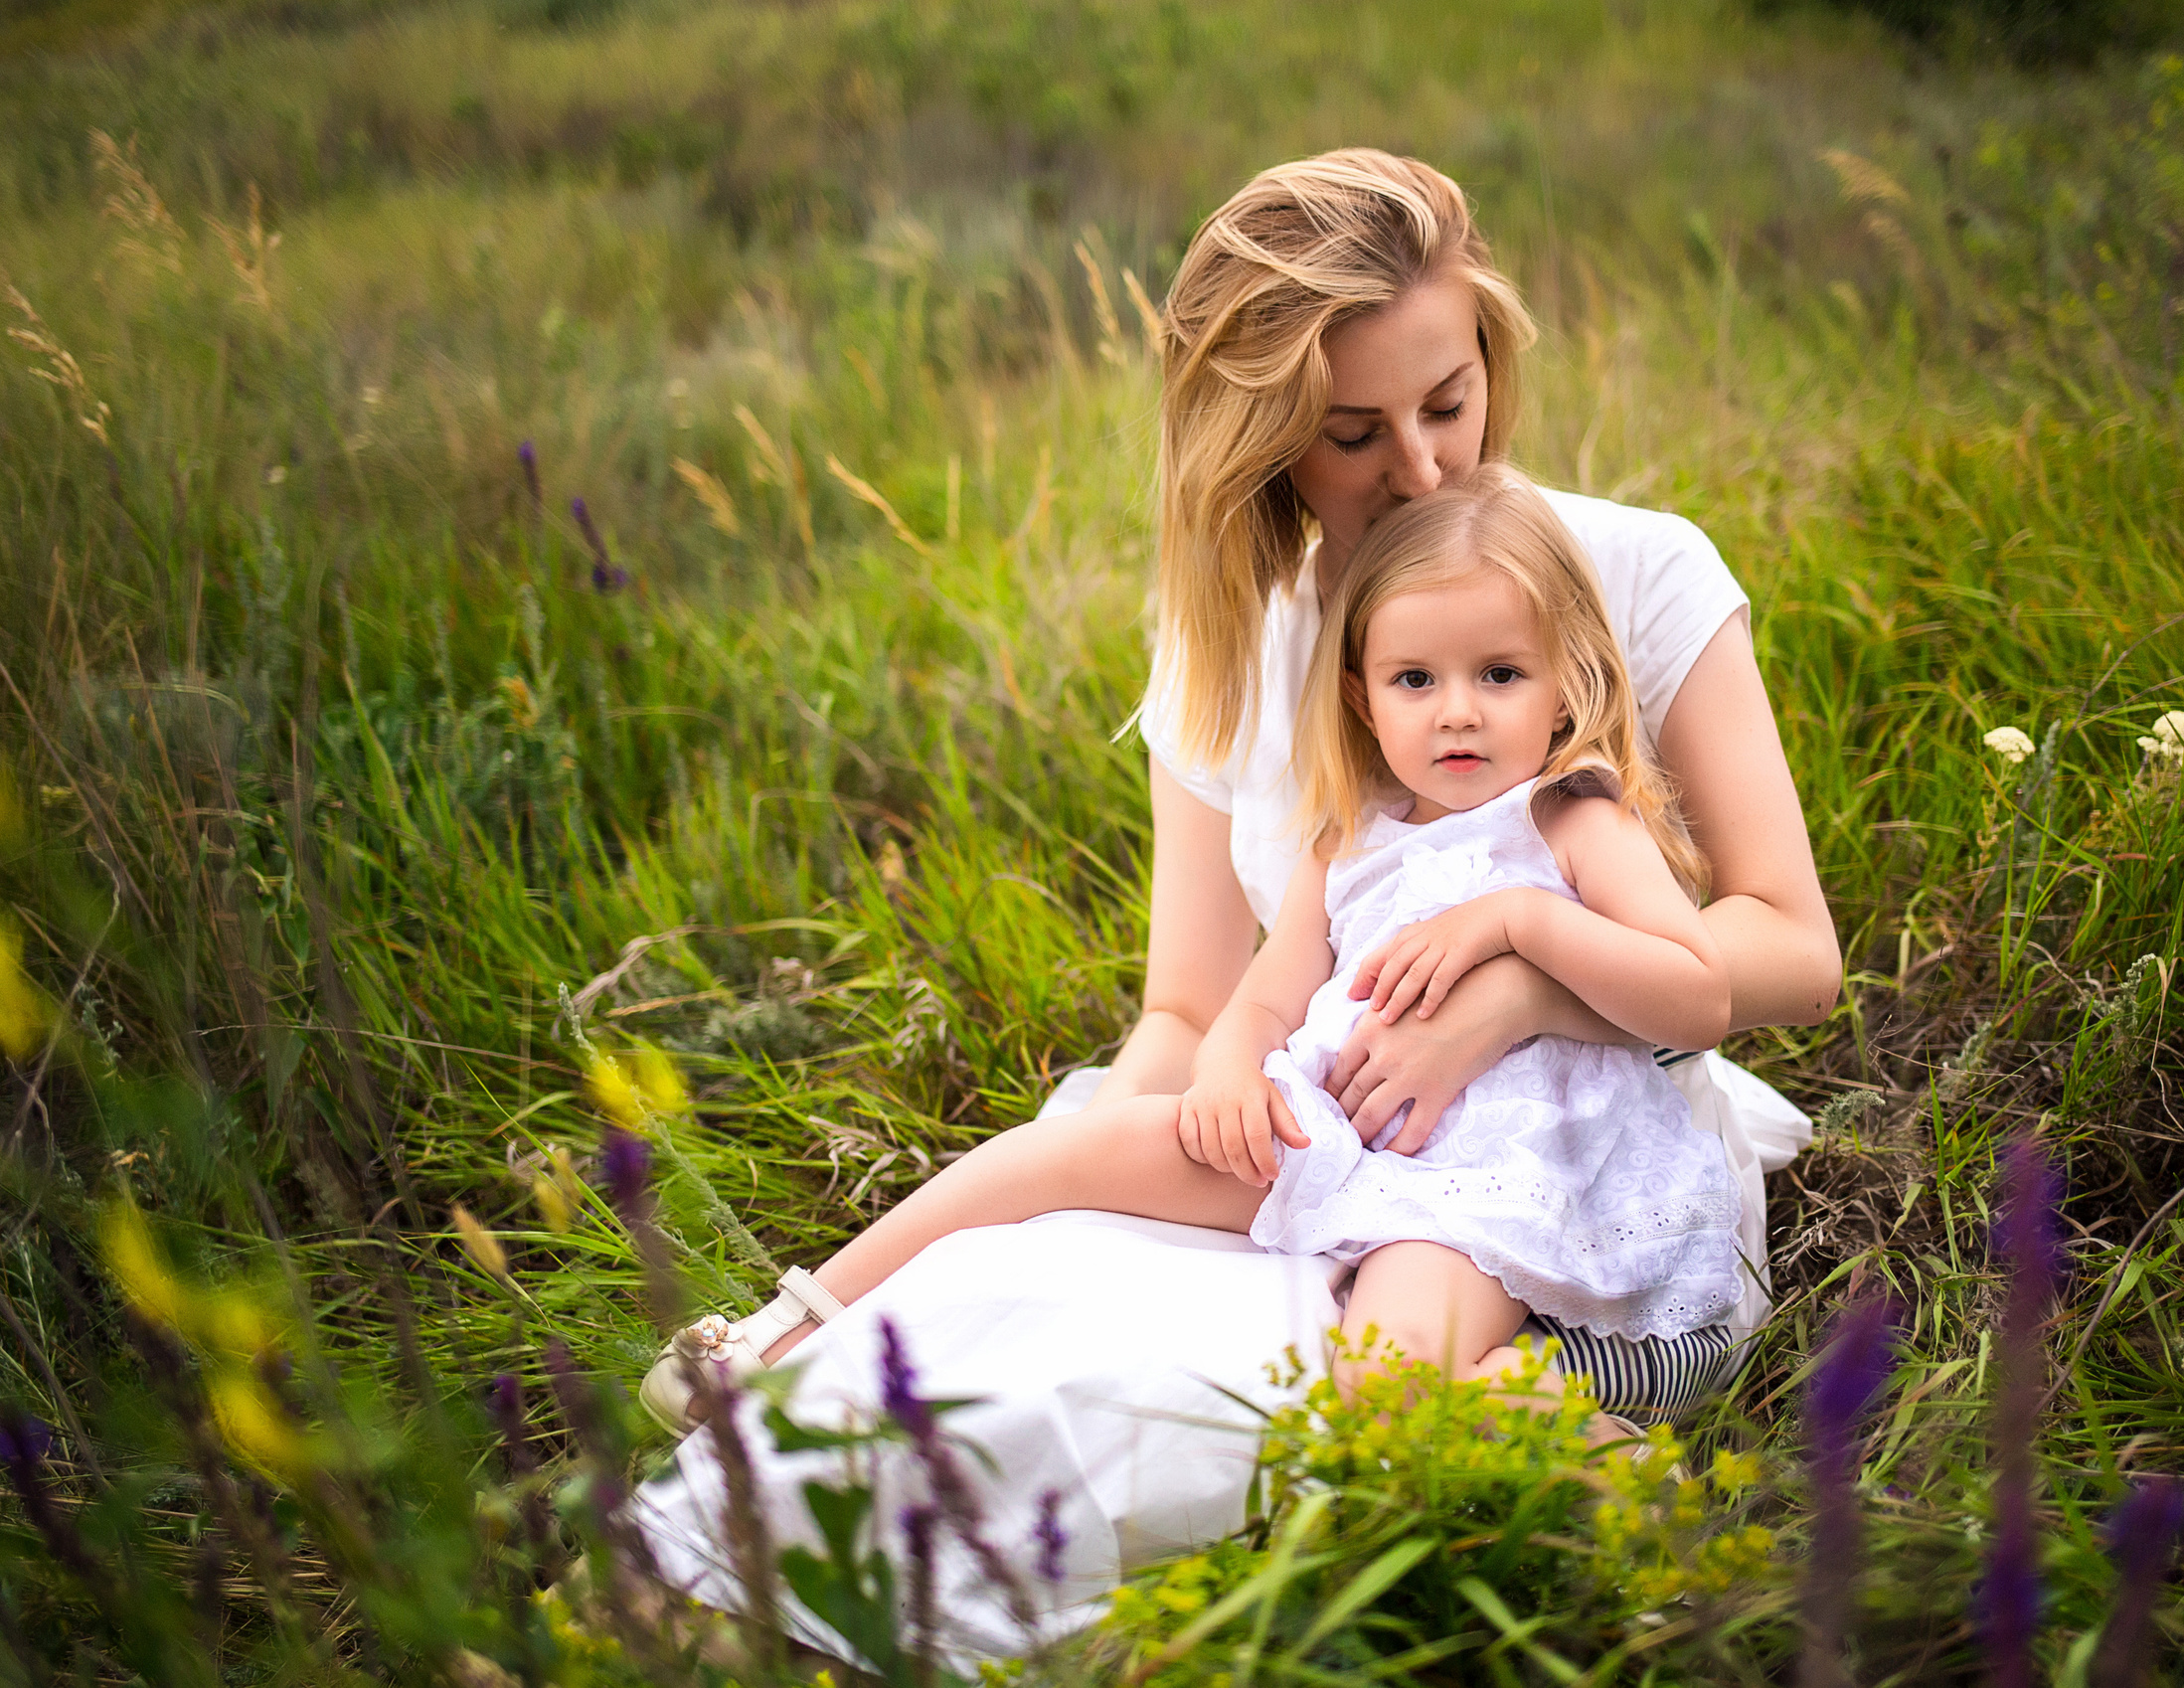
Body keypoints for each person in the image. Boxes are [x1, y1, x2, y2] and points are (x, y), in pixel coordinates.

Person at [628, 148, 1840, 1659]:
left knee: (1283, 1427)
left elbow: (1787, 950)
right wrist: (1176, 1125)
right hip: (1317, 1126)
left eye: (1449, 400)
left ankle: (1458, 1567)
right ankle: (715, 1523)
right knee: (997, 1314)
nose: (1424, 469)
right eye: (1351, 433)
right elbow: (1200, 1001)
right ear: (1260, 437)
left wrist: (1518, 989)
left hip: (1559, 1165)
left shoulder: (1627, 582)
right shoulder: (1237, 644)